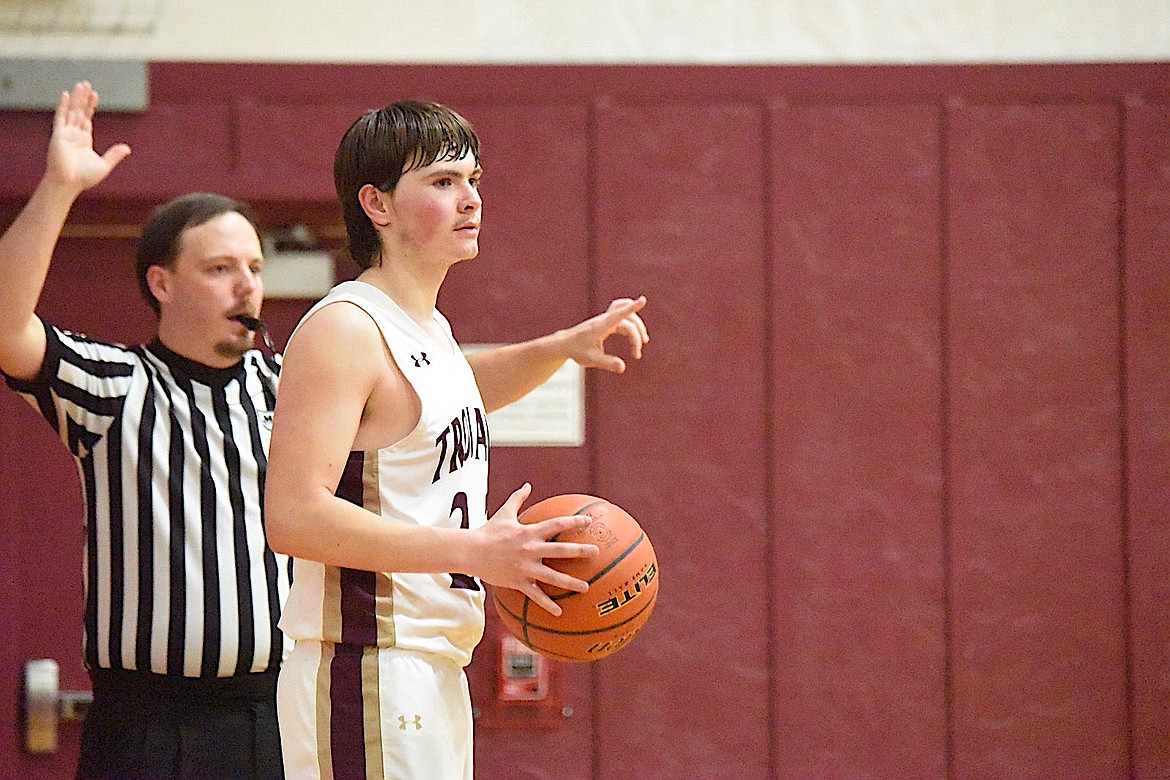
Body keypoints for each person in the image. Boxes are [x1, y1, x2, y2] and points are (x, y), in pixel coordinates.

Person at [263, 100, 649, 780]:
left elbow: (447, 396)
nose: (470, 199)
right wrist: (476, 551)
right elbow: (293, 515)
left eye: (473, 180)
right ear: (376, 204)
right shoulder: (345, 329)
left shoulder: (426, 331)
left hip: (430, 666)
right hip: (367, 664)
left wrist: (560, 348)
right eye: (443, 182)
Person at [0, 82, 288, 779]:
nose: (247, 285)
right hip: (148, 727)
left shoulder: (294, 387)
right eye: (220, 269)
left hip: (279, 713)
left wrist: (551, 347)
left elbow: (428, 387)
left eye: (253, 267)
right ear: (161, 283)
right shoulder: (112, 387)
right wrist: (60, 189)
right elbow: (6, 329)